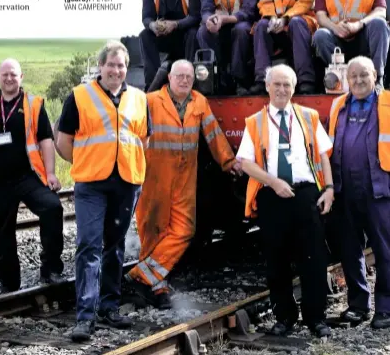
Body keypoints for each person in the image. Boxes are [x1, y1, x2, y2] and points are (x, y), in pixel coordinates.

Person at [56, 40, 150, 342]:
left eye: (121, 65)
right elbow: (63, 141)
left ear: (126, 69)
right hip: (92, 184)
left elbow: (142, 139)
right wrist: (87, 161)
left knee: (115, 247)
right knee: (88, 246)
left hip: (126, 181)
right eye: (111, 64)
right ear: (101, 67)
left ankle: (109, 307)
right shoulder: (79, 96)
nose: (116, 70)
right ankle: (86, 316)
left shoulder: (138, 98)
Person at [126, 59, 239, 309]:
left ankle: (141, 276)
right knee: (152, 230)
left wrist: (228, 162)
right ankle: (157, 286)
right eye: (180, 76)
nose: (185, 80)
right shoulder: (151, 101)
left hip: (185, 178)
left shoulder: (199, 102)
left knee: (184, 230)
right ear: (170, 78)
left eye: (189, 77)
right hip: (155, 176)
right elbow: (133, 132)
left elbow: (213, 134)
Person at [237, 64, 334, 338]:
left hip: (305, 195)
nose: (281, 90)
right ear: (267, 87)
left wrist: (329, 188)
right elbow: (245, 162)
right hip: (272, 195)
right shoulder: (255, 121)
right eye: (276, 84)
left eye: (287, 85)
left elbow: (324, 154)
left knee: (313, 259)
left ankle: (316, 319)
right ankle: (284, 318)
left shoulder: (308, 116)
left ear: (293, 88)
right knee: (276, 261)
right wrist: (273, 182)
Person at [0, 58, 64, 293]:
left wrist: (50, 173)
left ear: (22, 78)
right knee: (2, 230)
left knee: (52, 208)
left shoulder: (34, 104)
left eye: (14, 75)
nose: (9, 78)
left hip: (29, 177)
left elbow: (46, 141)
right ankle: (9, 283)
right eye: (5, 74)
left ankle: (50, 269)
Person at [327, 56, 390, 329]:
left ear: (375, 75)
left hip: (379, 190)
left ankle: (385, 310)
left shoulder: (387, 103)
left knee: (385, 251)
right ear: (347, 79)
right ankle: (358, 306)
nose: (359, 80)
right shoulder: (338, 105)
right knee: (350, 250)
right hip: (345, 190)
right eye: (353, 76)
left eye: (364, 75)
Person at [197, 0, 259, 94]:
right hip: (218, 24)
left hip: (240, 22)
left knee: (241, 30)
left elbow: (249, 11)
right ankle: (216, 79)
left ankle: (239, 81)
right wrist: (209, 21)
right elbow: (205, 9)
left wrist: (225, 19)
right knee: (203, 32)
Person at [140, 0, 201, 91]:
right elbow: (146, 17)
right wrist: (153, 25)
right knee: (145, 35)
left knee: (193, 33)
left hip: (185, 35)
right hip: (163, 36)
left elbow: (195, 17)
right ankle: (153, 84)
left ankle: (190, 80)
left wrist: (175, 24)